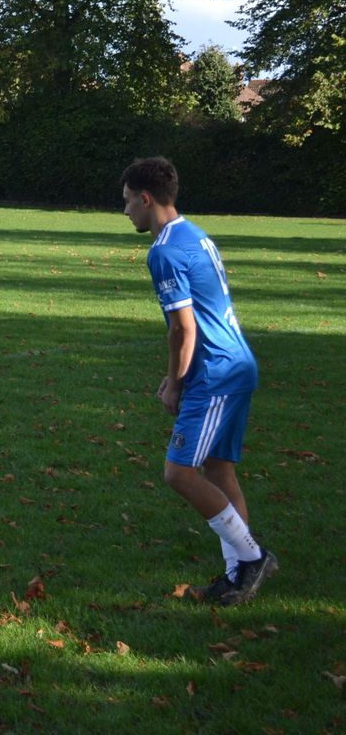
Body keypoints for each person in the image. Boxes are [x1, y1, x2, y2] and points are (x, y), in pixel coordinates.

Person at [121, 156, 276, 606]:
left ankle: (252, 558)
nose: (126, 211)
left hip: (215, 373)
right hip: (239, 364)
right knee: (218, 470)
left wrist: (175, 382)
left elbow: (183, 328)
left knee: (179, 472)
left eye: (129, 202)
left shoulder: (164, 250)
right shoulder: (195, 234)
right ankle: (238, 576)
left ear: (146, 199)